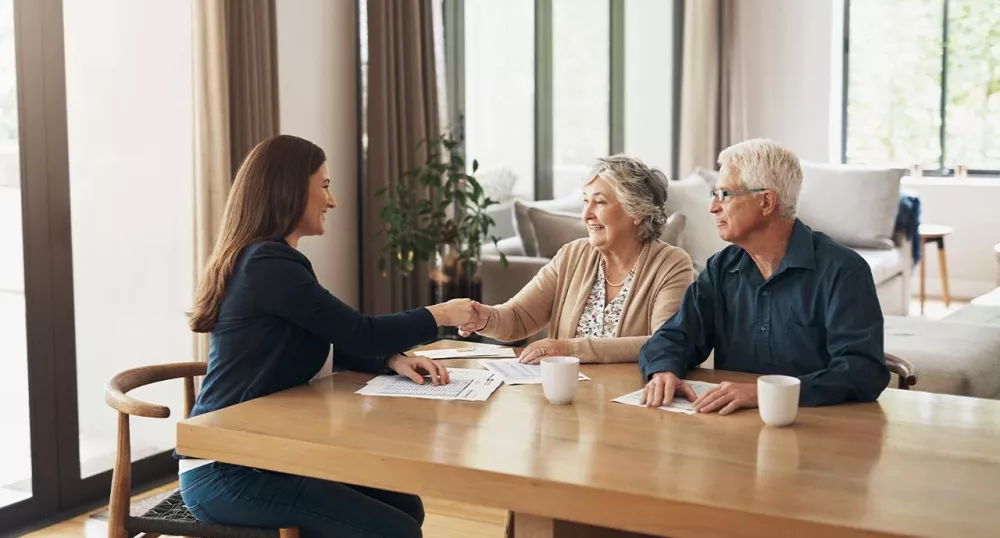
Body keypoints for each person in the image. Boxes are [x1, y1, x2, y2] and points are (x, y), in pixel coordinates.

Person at [179, 135, 476, 538]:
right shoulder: (267, 264)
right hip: (227, 468)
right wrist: (440, 314)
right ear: (289, 189)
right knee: (396, 531)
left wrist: (390, 359)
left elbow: (333, 338)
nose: (332, 201)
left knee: (406, 505)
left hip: (267, 454)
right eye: (325, 186)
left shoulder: (267, 259)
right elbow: (360, 331)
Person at [639, 139, 889, 413]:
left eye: (724, 194)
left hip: (819, 428)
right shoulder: (721, 268)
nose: (712, 207)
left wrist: (765, 394)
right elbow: (676, 336)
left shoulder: (843, 272)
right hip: (734, 429)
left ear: (767, 202)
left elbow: (862, 372)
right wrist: (663, 370)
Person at [459, 155, 694, 364]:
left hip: (629, 398)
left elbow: (664, 342)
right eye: (585, 201)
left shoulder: (671, 264)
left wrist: (567, 348)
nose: (586, 214)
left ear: (637, 212)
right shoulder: (572, 255)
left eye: (600, 202)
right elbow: (519, 317)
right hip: (567, 394)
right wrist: (484, 318)